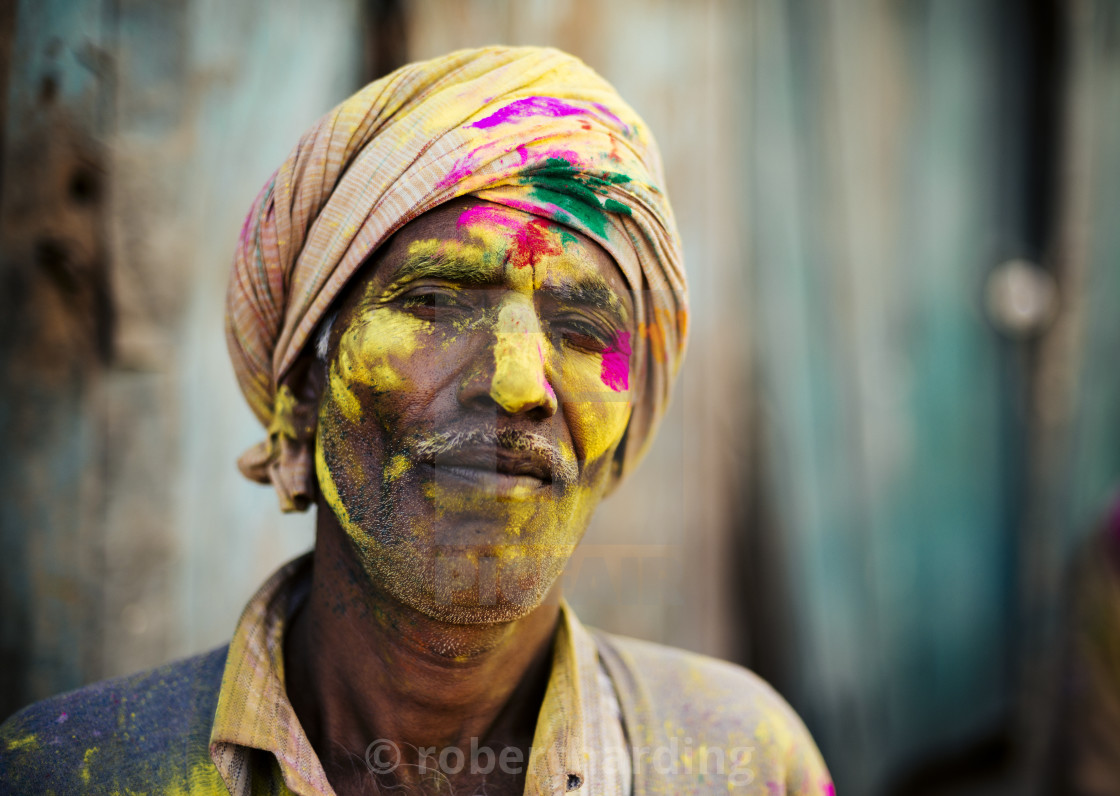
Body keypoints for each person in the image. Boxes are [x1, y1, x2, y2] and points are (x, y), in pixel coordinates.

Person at [0, 46, 832, 795]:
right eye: (433, 302)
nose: (516, 383)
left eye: (580, 331)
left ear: (620, 441)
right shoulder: (66, 771)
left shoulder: (745, 759)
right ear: (302, 391)